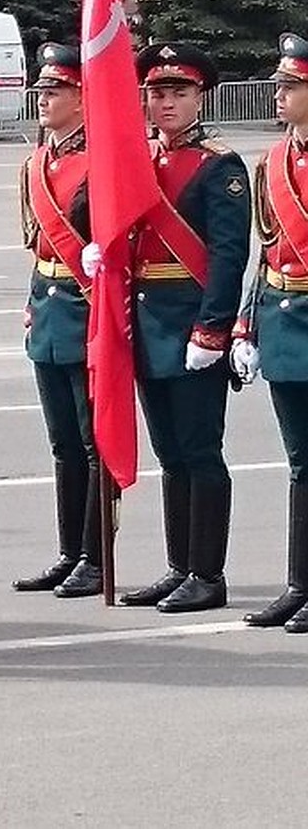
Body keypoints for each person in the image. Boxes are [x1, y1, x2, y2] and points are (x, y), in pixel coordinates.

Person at [111, 42, 250, 612]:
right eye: (156, 93)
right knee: (169, 453)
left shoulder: (220, 166)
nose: (165, 103)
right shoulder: (141, 159)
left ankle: (208, 574)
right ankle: (180, 565)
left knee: (199, 450)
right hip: (147, 326)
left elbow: (227, 254)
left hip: (191, 326)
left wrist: (212, 328)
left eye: (178, 92)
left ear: (202, 97)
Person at [13, 43, 103, 598]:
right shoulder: (36, 163)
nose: (44, 100)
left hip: (84, 309)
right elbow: (37, 244)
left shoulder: (103, 161)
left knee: (94, 443)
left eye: (56, 91)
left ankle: (96, 555)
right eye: (42, 91)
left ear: (82, 97)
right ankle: (70, 551)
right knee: (62, 443)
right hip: (48, 310)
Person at [231, 33, 308, 631]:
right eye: (280, 85)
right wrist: (246, 325)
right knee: (300, 463)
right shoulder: (272, 162)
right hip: (283, 323)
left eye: (291, 86)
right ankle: (299, 584)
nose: (279, 94)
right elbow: (269, 249)